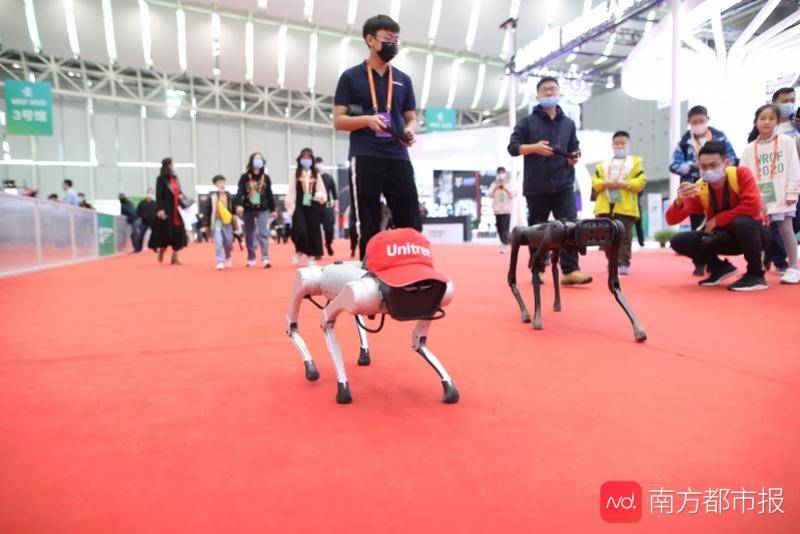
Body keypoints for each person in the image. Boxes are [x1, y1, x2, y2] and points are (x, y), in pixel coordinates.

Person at [333, 14, 420, 258]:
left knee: (409, 217)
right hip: (365, 155)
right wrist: (366, 120)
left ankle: (410, 269)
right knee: (367, 221)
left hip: (398, 155)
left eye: (396, 39)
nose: (393, 44)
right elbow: (338, 121)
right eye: (387, 39)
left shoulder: (403, 79)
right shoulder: (350, 77)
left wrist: (410, 130)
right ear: (370, 40)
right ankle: (369, 271)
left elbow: (411, 117)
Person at [507, 76, 593, 285]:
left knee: (571, 227)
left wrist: (574, 156)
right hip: (536, 185)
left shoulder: (568, 124)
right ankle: (538, 269)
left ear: (559, 93)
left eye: (553, 89)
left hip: (564, 183)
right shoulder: (527, 122)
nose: (549, 93)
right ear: (537, 95)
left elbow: (575, 147)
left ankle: (570, 270)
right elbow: (513, 147)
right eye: (544, 89)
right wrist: (534, 148)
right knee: (538, 230)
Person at [666, 141, 767, 291]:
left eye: (713, 165)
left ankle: (756, 274)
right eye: (704, 167)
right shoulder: (701, 187)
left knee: (741, 222)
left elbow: (753, 205)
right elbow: (671, 220)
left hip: (756, 235)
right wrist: (679, 202)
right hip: (723, 237)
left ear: (726, 163)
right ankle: (719, 268)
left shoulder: (741, 174)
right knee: (678, 241)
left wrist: (718, 219)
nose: (708, 170)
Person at [669, 105, 738, 276]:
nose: (698, 124)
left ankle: (721, 257)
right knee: (697, 225)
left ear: (708, 120)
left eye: (701, 121)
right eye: (694, 122)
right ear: (689, 123)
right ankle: (701, 262)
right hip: (695, 188)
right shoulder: (683, 143)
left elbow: (733, 158)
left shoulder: (720, 137)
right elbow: (674, 165)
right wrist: (694, 167)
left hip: (721, 186)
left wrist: (719, 171)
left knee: (724, 220)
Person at [739, 104, 800, 284]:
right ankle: (756, 268)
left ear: (777, 121)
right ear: (756, 121)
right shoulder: (749, 149)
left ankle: (794, 267)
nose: (767, 122)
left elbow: (794, 168)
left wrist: (792, 191)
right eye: (763, 118)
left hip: (782, 192)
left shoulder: (786, 142)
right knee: (758, 231)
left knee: (785, 228)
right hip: (759, 198)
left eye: (771, 118)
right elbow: (743, 175)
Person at [591, 131, 648, 275]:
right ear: (612, 145)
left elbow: (641, 181)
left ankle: (623, 264)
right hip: (604, 206)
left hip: (625, 208)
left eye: (623, 144)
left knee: (624, 237)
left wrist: (625, 184)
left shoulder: (635, 163)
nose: (620, 146)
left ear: (628, 145)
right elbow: (594, 182)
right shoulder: (603, 164)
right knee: (604, 237)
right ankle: (612, 262)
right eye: (617, 144)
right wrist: (604, 184)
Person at [285, 148, 327, 266]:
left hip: (313, 206)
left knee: (312, 231)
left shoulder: (316, 174)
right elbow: (292, 191)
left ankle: (310, 255)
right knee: (300, 230)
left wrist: (321, 196)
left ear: (312, 160)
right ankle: (299, 251)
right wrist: (290, 206)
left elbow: (321, 190)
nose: (306, 160)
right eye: (304, 158)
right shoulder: (295, 174)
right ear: (300, 159)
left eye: (309, 158)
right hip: (299, 206)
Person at [234, 152, 276, 268]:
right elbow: (240, 192)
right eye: (256, 158)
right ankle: (251, 257)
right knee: (249, 234)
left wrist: (273, 209)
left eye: (260, 159)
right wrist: (238, 205)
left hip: (263, 209)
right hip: (248, 208)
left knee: (263, 233)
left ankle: (265, 257)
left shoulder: (266, 178)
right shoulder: (245, 177)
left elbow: (269, 194)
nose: (258, 161)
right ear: (251, 161)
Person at [148, 158, 188, 265]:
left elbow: (179, 192)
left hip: (177, 210)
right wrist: (160, 209)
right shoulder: (161, 179)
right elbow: (159, 195)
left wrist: (182, 196)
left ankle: (175, 256)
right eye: (172, 164)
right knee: (165, 233)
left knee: (179, 233)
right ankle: (162, 250)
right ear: (168, 166)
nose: (174, 166)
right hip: (166, 210)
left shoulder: (175, 179)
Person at [209, 175, 235, 270]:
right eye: (219, 183)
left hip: (227, 221)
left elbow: (234, 208)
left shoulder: (230, 196)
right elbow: (208, 210)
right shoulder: (213, 196)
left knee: (228, 241)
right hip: (217, 221)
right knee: (218, 241)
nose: (221, 184)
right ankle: (220, 260)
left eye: (223, 182)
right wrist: (205, 224)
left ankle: (228, 257)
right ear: (215, 184)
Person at [487, 166, 515, 254]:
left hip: (506, 210)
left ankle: (505, 244)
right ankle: (506, 242)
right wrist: (496, 187)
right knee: (499, 228)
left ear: (505, 174)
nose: (500, 175)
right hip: (497, 209)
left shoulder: (509, 183)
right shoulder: (494, 184)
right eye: (499, 173)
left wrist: (505, 188)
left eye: (502, 173)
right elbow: (490, 195)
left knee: (505, 228)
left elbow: (513, 194)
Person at [315, 157, 339, 256]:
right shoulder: (312, 178)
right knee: (315, 230)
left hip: (327, 206)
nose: (318, 165)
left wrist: (336, 207)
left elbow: (335, 195)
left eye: (319, 163)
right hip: (314, 207)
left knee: (329, 228)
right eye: (316, 163)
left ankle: (328, 243)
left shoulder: (329, 178)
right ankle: (317, 252)